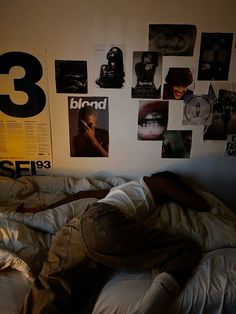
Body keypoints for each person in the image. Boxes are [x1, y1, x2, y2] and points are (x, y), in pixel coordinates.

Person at [20, 171, 211, 314]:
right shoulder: (158, 182)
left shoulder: (117, 190)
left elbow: (81, 195)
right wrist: (198, 196)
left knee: (53, 292)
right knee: (186, 250)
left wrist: (45, 208)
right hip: (102, 222)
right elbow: (201, 204)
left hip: (75, 229)